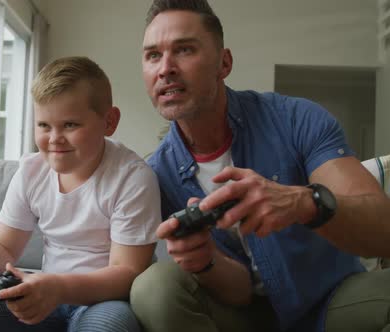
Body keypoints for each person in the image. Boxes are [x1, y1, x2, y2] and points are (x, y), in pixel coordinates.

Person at [129, 1, 390, 331]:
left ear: (224, 63)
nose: (165, 68)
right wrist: (206, 261)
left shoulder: (296, 119)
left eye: (184, 50)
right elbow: (239, 292)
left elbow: (384, 231)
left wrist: (303, 203)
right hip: (241, 316)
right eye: (153, 55)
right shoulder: (155, 174)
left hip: (330, 300)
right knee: (154, 288)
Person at [0, 56, 162, 332]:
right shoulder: (32, 171)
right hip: (45, 292)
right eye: (44, 125)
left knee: (111, 325)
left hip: (102, 301)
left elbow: (127, 273)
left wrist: (58, 288)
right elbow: (5, 246)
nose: (54, 139)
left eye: (70, 125)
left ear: (109, 121)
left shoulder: (132, 178)